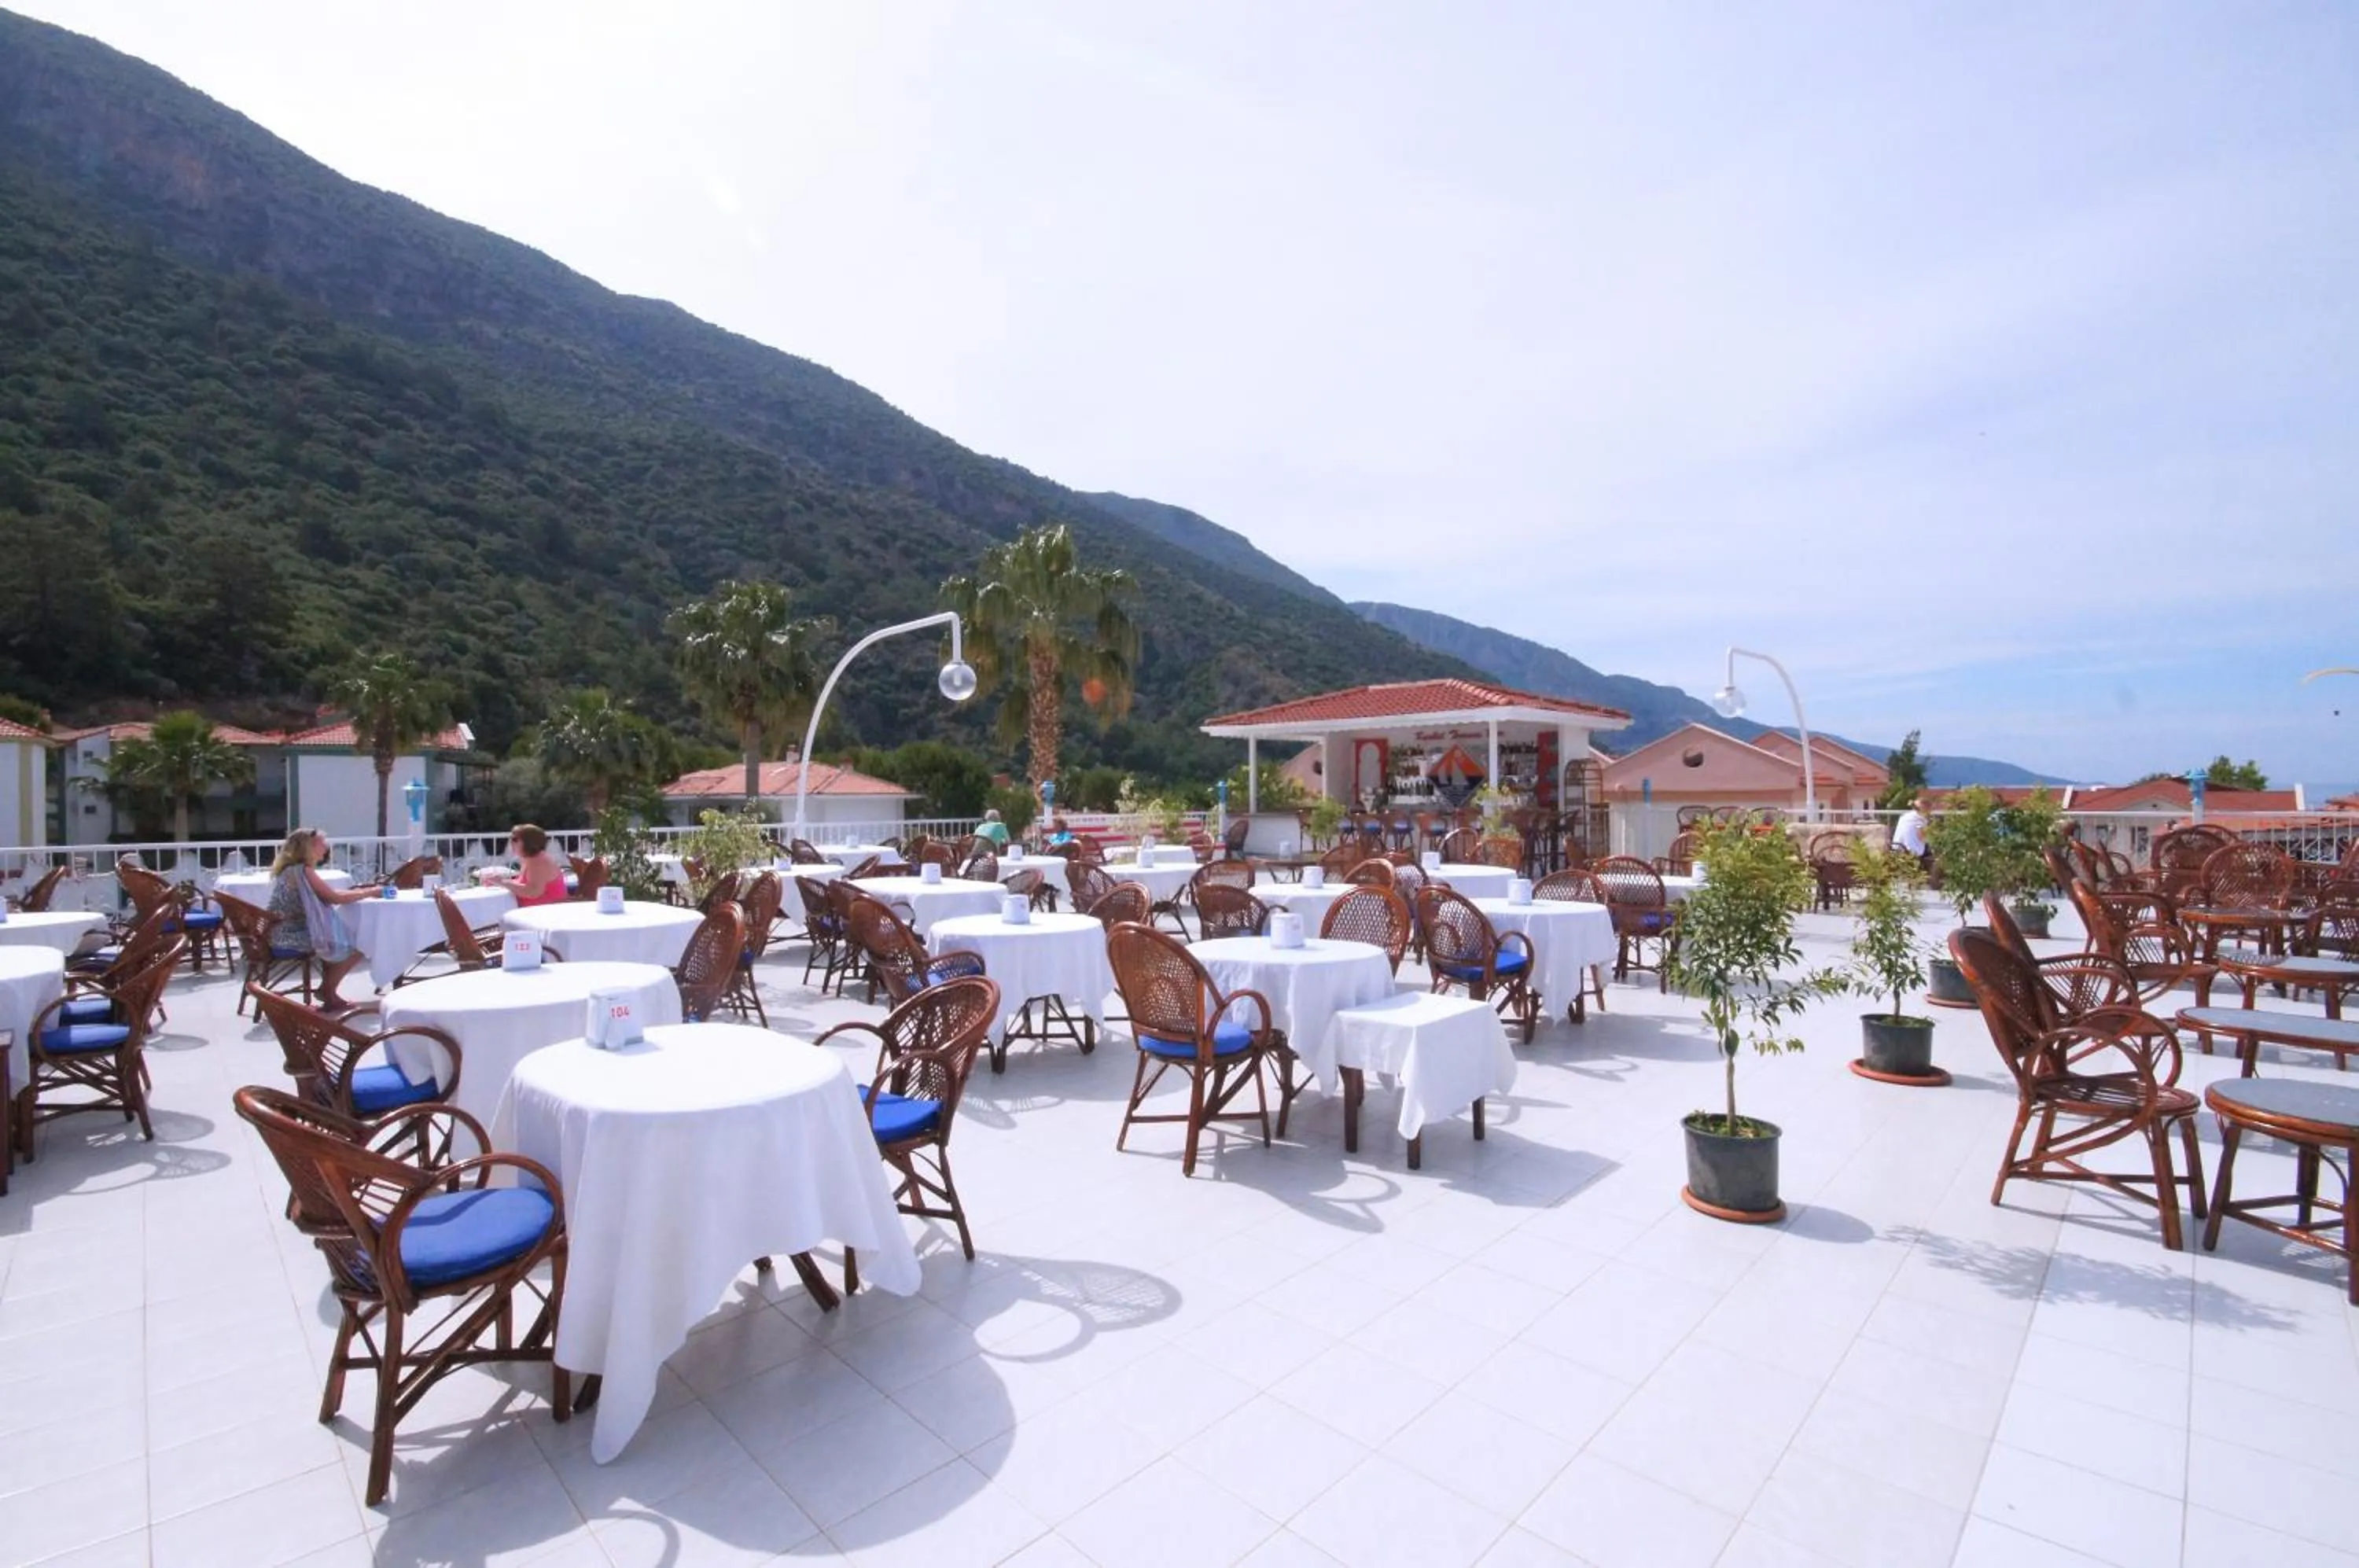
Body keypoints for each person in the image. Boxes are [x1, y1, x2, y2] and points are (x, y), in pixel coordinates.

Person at [263, 828, 383, 1011]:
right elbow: (333, 898)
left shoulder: (292, 870)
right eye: (322, 843)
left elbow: (329, 894)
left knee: (345, 936)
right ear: (308, 847)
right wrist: (372, 892)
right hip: (289, 935)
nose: (326, 847)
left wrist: (363, 892)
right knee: (360, 944)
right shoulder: (303, 871)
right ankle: (328, 992)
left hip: (279, 931)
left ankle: (328, 991)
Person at [489, 823, 571, 907]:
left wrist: (503, 882)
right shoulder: (530, 859)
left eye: (515, 839)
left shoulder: (539, 861)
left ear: (529, 842)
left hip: (546, 913)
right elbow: (523, 885)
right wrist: (498, 882)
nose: (511, 843)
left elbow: (533, 892)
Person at [1892, 794, 1933, 874]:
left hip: (1897, 847)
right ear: (1925, 808)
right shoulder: (1920, 818)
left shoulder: (1905, 816)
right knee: (1932, 854)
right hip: (1911, 851)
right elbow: (1921, 836)